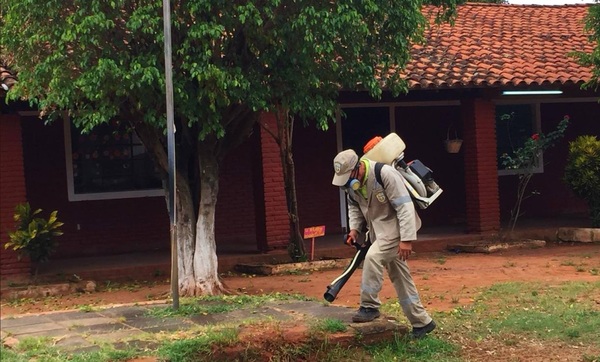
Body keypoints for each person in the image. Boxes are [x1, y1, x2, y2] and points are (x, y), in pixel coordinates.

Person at [331, 149, 436, 339]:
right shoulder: (351, 186)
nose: (346, 183)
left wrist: (406, 240)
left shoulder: (384, 174)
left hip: (397, 228)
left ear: (358, 168)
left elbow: (404, 206)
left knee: (373, 257)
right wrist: (354, 229)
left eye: (348, 177)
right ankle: (422, 323)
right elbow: (354, 207)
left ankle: (369, 306)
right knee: (400, 277)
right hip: (379, 230)